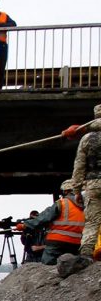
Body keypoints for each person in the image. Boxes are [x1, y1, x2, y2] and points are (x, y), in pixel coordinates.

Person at [63, 104, 101, 260]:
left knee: (92, 222)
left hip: (93, 185)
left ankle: (86, 256)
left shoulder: (87, 139)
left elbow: (78, 167)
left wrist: (77, 191)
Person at [17, 180, 84, 264]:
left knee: (48, 262)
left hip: (58, 241)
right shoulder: (86, 205)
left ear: (65, 191)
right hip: (77, 242)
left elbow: (43, 218)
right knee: (72, 262)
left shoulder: (62, 203)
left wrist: (24, 225)